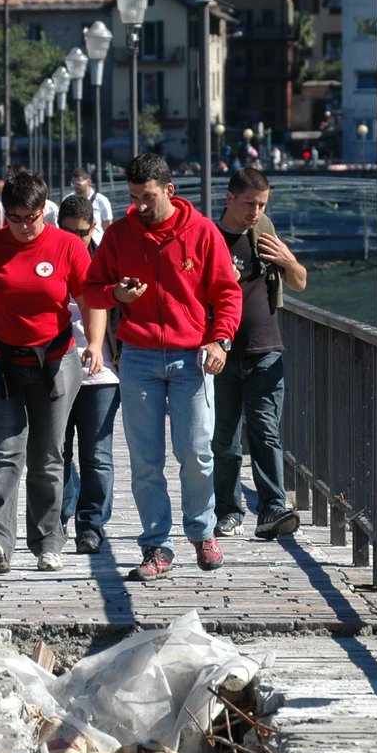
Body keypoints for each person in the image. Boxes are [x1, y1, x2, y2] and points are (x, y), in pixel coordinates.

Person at [84, 153, 242, 582]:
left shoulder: (203, 232)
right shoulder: (119, 235)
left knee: (196, 452)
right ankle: (157, 545)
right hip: (137, 358)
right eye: (134, 197)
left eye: (148, 197)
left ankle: (203, 532)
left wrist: (221, 338)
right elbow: (90, 290)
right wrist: (117, 294)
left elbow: (228, 293)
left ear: (169, 191)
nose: (140, 205)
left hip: (192, 357)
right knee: (145, 460)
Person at [0, 171, 103, 573]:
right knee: (2, 454)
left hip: (54, 360)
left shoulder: (68, 246)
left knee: (48, 455)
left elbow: (90, 299)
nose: (23, 226)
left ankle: (48, 540)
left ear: (45, 211)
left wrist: (94, 343)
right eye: (15, 218)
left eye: (32, 217)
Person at [210, 168, 308, 541]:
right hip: (222, 350)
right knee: (224, 439)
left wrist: (287, 260)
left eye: (262, 204)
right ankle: (229, 511)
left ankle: (273, 507)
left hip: (266, 347)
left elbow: (299, 281)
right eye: (250, 203)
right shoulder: (210, 238)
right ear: (229, 198)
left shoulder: (264, 232)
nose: (256, 210)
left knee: (266, 432)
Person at [56, 195, 121, 555]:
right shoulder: (50, 256)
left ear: (92, 227)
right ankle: (60, 520)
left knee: (97, 455)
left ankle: (91, 525)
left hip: (103, 373)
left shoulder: (105, 261)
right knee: (57, 452)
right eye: (66, 231)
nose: (73, 238)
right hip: (57, 368)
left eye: (80, 232)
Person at [69, 167, 114, 241]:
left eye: (78, 183)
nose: (75, 186)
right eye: (73, 183)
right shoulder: (69, 200)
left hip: (97, 245)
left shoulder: (101, 200)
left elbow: (108, 226)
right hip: (75, 243)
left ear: (89, 182)